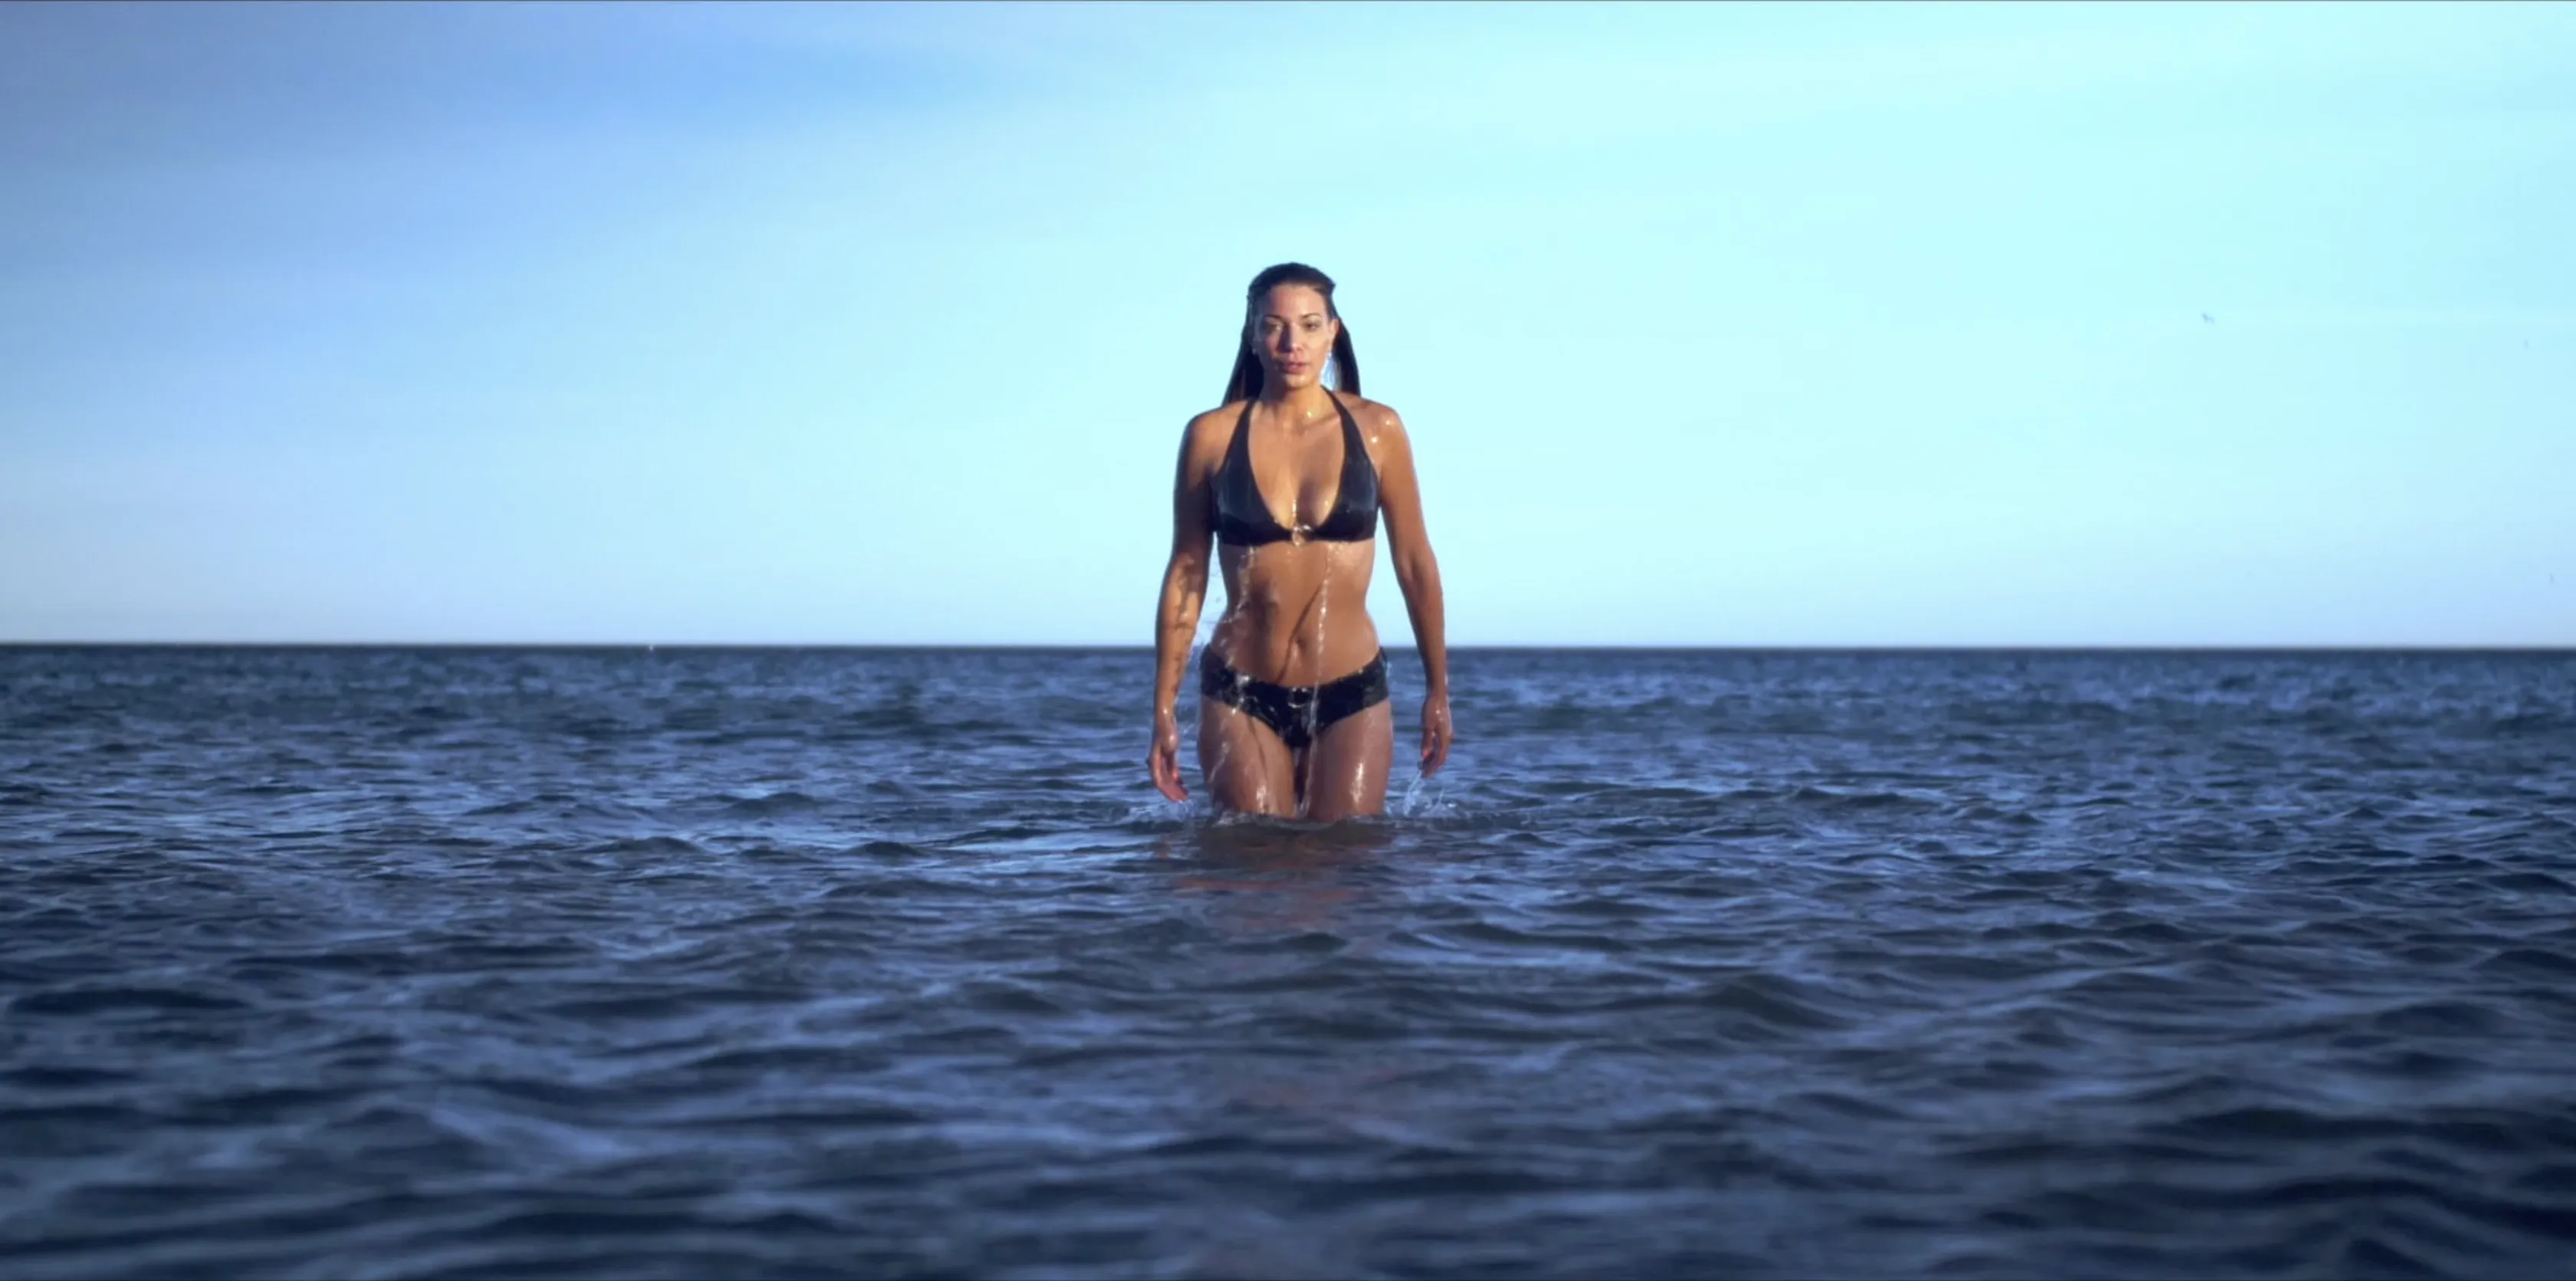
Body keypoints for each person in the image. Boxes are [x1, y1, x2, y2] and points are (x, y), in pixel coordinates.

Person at [1148, 263, 1452, 819]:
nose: (1293, 343)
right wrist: (1163, 706)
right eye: (1274, 326)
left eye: (1310, 326)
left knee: (1344, 864)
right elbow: (1187, 573)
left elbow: (1414, 563)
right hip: (1240, 691)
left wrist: (1438, 689)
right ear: (1251, 335)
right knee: (1253, 865)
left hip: (1352, 689)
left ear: (1333, 332)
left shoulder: (1379, 430)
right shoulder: (1211, 437)